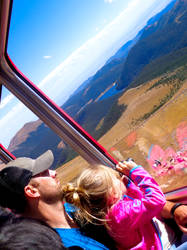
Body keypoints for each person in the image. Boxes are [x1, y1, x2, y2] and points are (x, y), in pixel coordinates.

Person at [0, 150, 114, 250]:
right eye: (44, 172)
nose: (54, 172)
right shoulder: (52, 244)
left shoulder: (78, 207)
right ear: (32, 191)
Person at [62, 160, 187, 250]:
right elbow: (156, 200)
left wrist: (129, 185)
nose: (120, 178)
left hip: (167, 241)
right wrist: (136, 172)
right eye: (116, 178)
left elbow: (140, 201)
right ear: (113, 193)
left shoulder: (111, 213)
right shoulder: (120, 214)